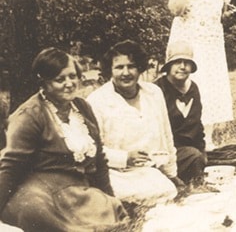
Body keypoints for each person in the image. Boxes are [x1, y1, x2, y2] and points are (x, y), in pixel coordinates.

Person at [0, 48, 128, 231]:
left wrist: (109, 195)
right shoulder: (29, 115)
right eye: (60, 79)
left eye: (73, 76)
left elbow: (99, 159)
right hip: (37, 189)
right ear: (43, 82)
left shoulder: (82, 108)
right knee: (37, 211)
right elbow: (10, 167)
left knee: (109, 209)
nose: (69, 84)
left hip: (76, 190)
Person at [87, 40, 183, 205]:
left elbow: (166, 135)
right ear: (109, 70)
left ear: (140, 67)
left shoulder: (154, 93)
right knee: (124, 196)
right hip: (114, 172)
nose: (126, 73)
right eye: (119, 67)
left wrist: (172, 175)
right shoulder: (96, 101)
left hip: (149, 170)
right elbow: (93, 151)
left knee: (166, 190)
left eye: (131, 66)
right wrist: (125, 158)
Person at [167, 0, 236, 150]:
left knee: (211, 86)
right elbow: (175, 10)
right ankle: (181, 138)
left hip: (212, 41)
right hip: (187, 40)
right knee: (185, 83)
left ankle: (208, 139)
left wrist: (228, 13)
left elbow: (222, 11)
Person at [154, 41, 207, 185]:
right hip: (164, 152)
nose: (182, 67)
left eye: (187, 63)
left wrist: (202, 150)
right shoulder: (157, 90)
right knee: (194, 156)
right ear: (169, 66)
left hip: (189, 149)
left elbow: (197, 124)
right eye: (177, 62)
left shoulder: (193, 88)